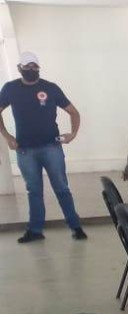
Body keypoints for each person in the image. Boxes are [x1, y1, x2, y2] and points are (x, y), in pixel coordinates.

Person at [0, 52, 86, 243]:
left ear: (38, 68)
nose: (31, 69)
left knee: (62, 188)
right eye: (27, 66)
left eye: (34, 66)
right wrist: (7, 136)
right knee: (34, 191)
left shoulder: (50, 88)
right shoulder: (10, 89)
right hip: (25, 150)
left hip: (51, 147)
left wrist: (72, 134)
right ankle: (35, 230)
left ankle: (76, 226)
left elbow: (74, 112)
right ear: (19, 68)